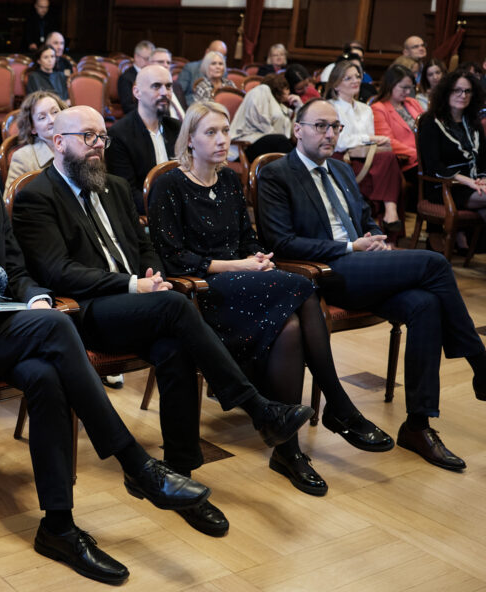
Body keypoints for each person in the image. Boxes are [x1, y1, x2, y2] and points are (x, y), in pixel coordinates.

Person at [0, 103, 228, 577]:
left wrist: (36, 298)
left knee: (46, 375)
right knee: (59, 327)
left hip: (5, 321)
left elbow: (16, 271)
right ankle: (137, 465)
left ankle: (58, 525)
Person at [11, 104, 321, 533]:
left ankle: (181, 478)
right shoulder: (36, 195)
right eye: (87, 137)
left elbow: (145, 247)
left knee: (176, 347)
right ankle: (257, 407)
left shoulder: (116, 187)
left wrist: (154, 275)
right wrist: (134, 286)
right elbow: (56, 270)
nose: (98, 145)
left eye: (102, 137)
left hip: (139, 303)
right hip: (84, 311)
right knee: (177, 306)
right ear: (57, 141)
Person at [149, 101, 391, 495]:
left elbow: (248, 239)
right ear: (189, 140)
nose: (222, 139)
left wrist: (257, 258)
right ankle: (338, 405)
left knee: (292, 328)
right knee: (302, 286)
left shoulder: (229, 181)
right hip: (202, 296)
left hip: (247, 285)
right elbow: (174, 257)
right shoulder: (170, 184)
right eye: (210, 132)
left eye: (225, 131)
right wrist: (238, 266)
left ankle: (288, 450)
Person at [258, 98, 486, 470]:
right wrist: (350, 245)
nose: (330, 133)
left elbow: (367, 218)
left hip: (364, 264)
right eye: (320, 126)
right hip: (325, 273)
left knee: (425, 305)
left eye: (335, 127)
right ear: (297, 129)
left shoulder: (343, 171)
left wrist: (376, 236)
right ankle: (479, 361)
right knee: (435, 263)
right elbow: (281, 242)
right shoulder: (278, 174)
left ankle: (417, 425)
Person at [325, 61, 404, 232]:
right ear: (336, 84)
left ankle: (389, 216)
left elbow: (367, 144)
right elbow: (339, 142)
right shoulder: (330, 107)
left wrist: (374, 140)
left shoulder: (365, 109)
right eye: (348, 78)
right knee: (388, 167)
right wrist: (368, 137)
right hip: (340, 160)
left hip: (365, 158)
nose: (356, 81)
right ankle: (390, 217)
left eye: (357, 77)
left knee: (388, 160)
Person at [417, 70, 486, 254]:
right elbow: (433, 166)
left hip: (474, 185)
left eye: (467, 91)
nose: (462, 96)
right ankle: (460, 239)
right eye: (457, 91)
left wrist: (482, 179)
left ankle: (465, 241)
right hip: (445, 186)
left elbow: (483, 160)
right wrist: (469, 181)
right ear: (446, 92)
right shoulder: (431, 123)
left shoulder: (473, 123)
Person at [107, 64, 180, 214]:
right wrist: (168, 211)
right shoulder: (119, 134)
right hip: (146, 214)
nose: (164, 92)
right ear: (137, 92)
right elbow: (127, 192)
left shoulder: (177, 128)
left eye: (168, 86)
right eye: (156, 86)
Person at [371, 65, 422, 191]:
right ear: (390, 85)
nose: (408, 92)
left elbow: (429, 129)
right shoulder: (378, 108)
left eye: (410, 88)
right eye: (404, 88)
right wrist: (419, 155)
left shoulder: (412, 103)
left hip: (425, 158)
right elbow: (389, 142)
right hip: (407, 162)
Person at [229, 72, 300, 162]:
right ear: (278, 87)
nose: (289, 92)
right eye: (286, 88)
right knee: (280, 140)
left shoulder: (281, 106)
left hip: (267, 144)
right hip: (246, 146)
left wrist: (298, 107)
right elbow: (259, 120)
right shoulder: (261, 90)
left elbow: (291, 133)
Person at [5, 90, 65, 191]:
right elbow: (11, 203)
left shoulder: (79, 145)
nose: (52, 120)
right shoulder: (22, 158)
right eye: (42, 117)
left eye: (55, 112)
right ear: (32, 128)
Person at [177, 40, 227, 106]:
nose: (218, 66)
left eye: (222, 56)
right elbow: (179, 93)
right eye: (214, 63)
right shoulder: (190, 68)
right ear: (207, 52)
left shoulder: (225, 75)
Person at [148, 48, 187, 119]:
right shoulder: (147, 86)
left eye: (168, 62)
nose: (166, 65)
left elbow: (185, 110)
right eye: (161, 62)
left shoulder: (176, 85)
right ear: (149, 63)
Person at [118, 40, 154, 116]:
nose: (149, 63)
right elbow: (128, 107)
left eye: (151, 60)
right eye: (147, 59)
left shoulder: (153, 75)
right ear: (136, 57)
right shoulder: (126, 78)